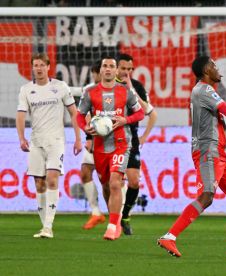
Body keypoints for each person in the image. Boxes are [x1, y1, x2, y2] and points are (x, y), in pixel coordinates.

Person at [157, 56, 226, 259]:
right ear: (206, 70)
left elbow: (217, 125)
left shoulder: (208, 93)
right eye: (214, 65)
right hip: (209, 152)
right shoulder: (203, 90)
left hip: (223, 153)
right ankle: (169, 237)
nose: (218, 69)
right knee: (207, 196)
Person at [76, 56, 145, 240]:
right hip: (100, 147)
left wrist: (126, 120)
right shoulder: (90, 93)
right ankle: (115, 219)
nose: (107, 69)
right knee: (106, 185)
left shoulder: (126, 91)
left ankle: (113, 226)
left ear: (116, 72)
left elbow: (140, 113)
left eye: (111, 66)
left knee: (116, 182)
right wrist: (85, 128)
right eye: (104, 66)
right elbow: (79, 116)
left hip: (122, 143)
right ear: (100, 71)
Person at [16, 53, 83, 238]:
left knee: (52, 179)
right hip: (36, 142)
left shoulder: (60, 87)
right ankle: (45, 225)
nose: (38, 68)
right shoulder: (26, 90)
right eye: (35, 65)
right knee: (39, 184)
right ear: (32, 68)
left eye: (41, 65)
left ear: (48, 67)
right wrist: (21, 138)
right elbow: (21, 115)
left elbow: (74, 112)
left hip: (56, 141)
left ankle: (48, 226)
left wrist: (78, 138)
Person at [116, 53, 157, 235]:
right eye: (123, 68)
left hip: (130, 140)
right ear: (116, 68)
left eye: (129, 69)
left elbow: (149, 112)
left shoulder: (137, 87)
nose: (126, 72)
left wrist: (144, 137)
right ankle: (112, 221)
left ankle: (125, 216)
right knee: (111, 184)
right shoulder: (107, 85)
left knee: (133, 182)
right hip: (110, 140)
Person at [78, 61, 106, 230]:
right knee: (85, 172)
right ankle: (96, 212)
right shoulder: (89, 90)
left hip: (111, 142)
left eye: (97, 72)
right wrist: (89, 137)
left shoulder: (117, 90)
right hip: (94, 138)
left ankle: (119, 216)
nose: (96, 76)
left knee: (109, 182)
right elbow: (85, 114)